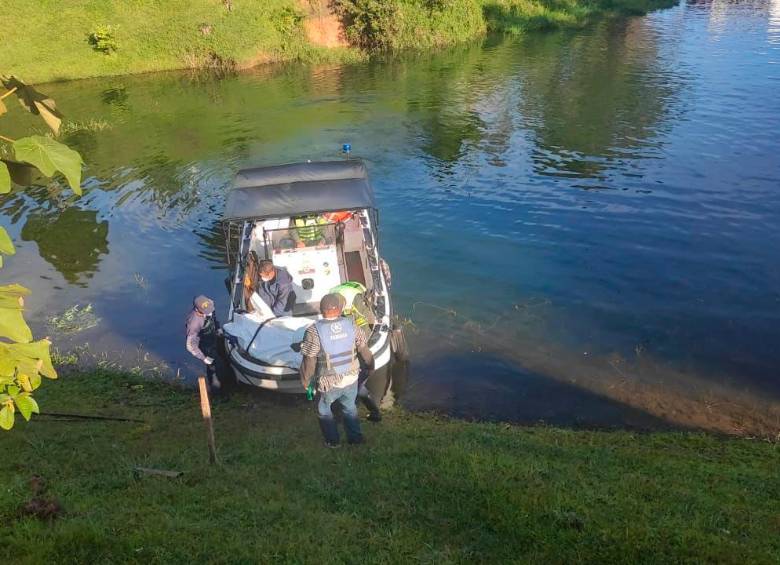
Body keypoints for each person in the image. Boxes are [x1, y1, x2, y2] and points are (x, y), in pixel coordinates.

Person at [300, 293, 374, 447]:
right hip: (352, 376)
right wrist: (370, 366)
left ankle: (333, 442)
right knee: (349, 407)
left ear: (321, 310)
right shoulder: (352, 325)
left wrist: (307, 382)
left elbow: (310, 359)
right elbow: (364, 350)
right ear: (340, 309)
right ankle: (356, 440)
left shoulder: (314, 331)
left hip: (329, 381)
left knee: (324, 410)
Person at [330, 282, 381, 422]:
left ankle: (368, 414)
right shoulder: (331, 297)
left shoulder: (356, 303)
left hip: (352, 367)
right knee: (357, 389)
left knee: (357, 390)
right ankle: (373, 413)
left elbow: (364, 325)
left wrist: (359, 340)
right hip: (350, 367)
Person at [185, 295, 221, 390]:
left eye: (210, 310)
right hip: (205, 344)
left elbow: (214, 318)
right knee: (212, 366)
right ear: (197, 310)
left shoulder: (210, 304)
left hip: (213, 336)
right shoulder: (194, 323)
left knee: (220, 358)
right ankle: (215, 388)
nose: (210, 313)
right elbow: (190, 345)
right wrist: (203, 358)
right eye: (207, 312)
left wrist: (218, 328)